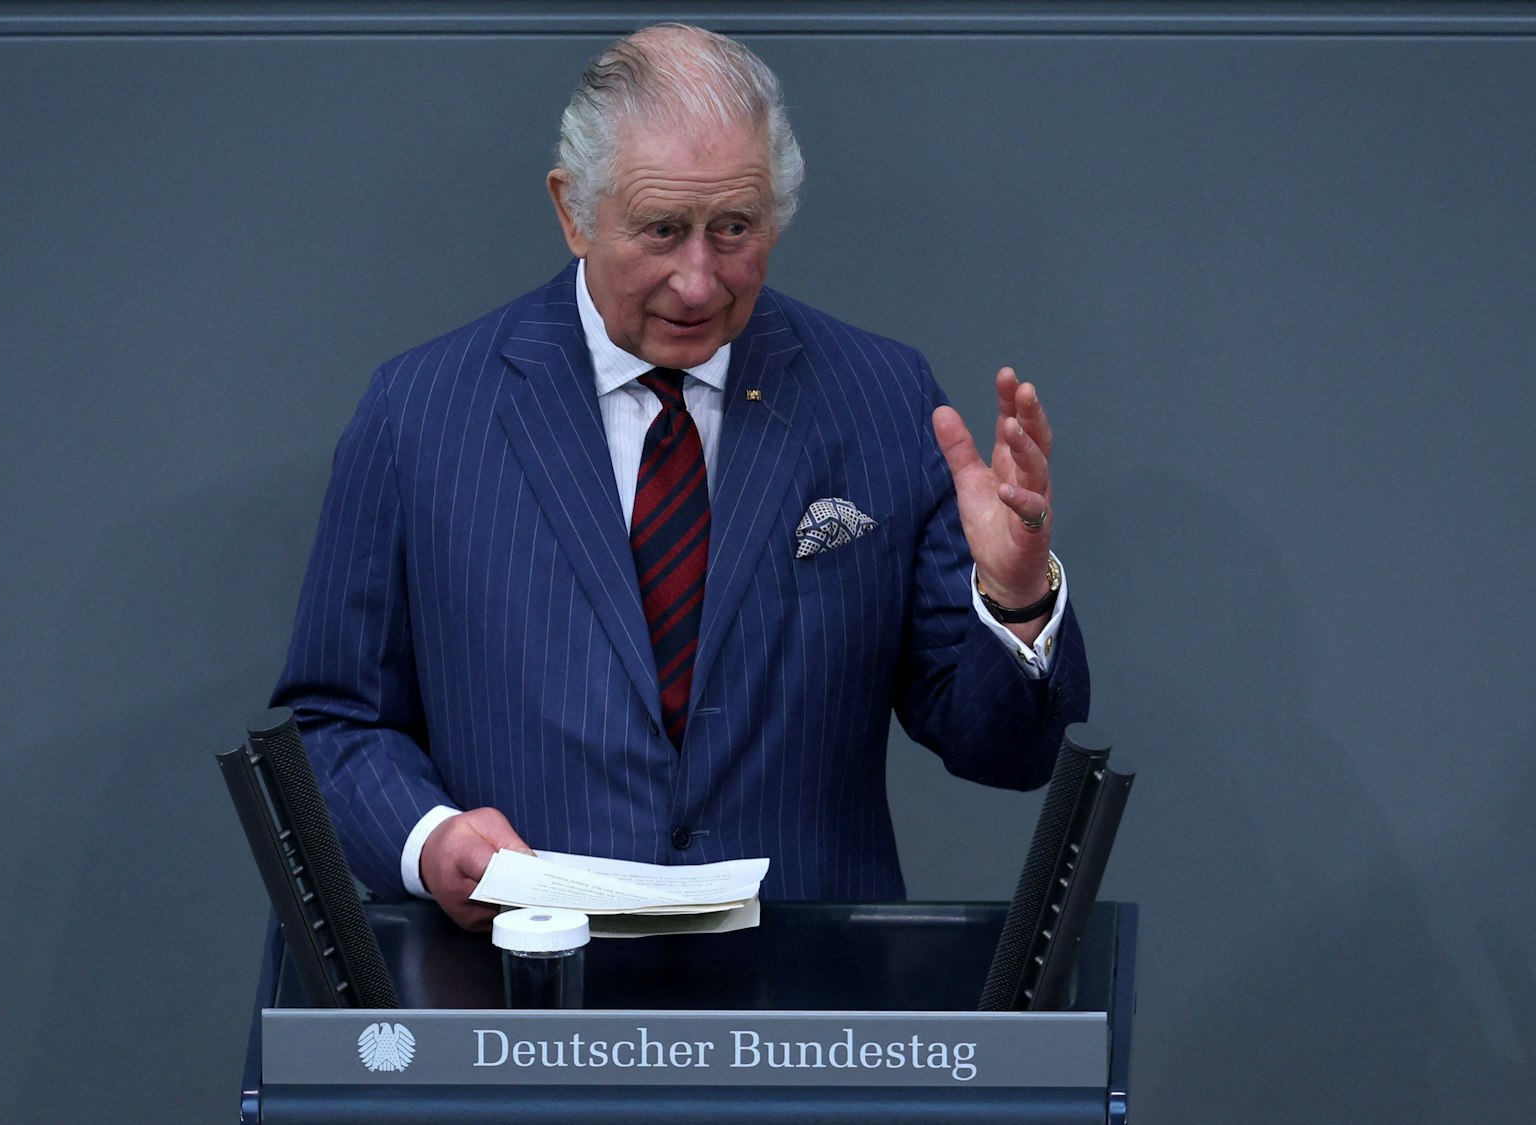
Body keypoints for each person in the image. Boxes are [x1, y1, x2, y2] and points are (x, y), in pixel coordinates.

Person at [273, 23, 1088, 931]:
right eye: (661, 230)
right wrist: (429, 840)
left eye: (732, 229)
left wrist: (1014, 602)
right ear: (573, 211)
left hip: (806, 1016)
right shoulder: (422, 411)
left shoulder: (882, 401)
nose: (698, 281)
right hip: (522, 1000)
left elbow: (1005, 750)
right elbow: (332, 724)